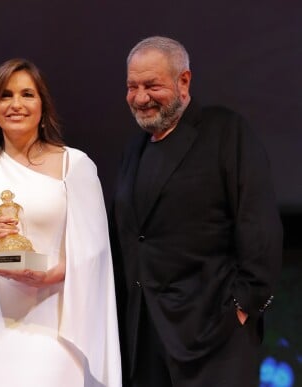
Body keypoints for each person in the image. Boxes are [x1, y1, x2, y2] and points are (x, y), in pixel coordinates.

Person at [109, 36, 283, 387]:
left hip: (214, 334)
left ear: (183, 81)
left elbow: (259, 223)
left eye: (152, 85)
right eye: (132, 87)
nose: (140, 98)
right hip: (144, 338)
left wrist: (242, 307)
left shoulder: (225, 132)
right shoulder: (133, 149)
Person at [0, 58, 121, 387]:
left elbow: (95, 253)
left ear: (43, 105)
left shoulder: (74, 164)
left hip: (54, 321)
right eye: (6, 95)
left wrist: (49, 275)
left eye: (27, 94)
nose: (16, 104)